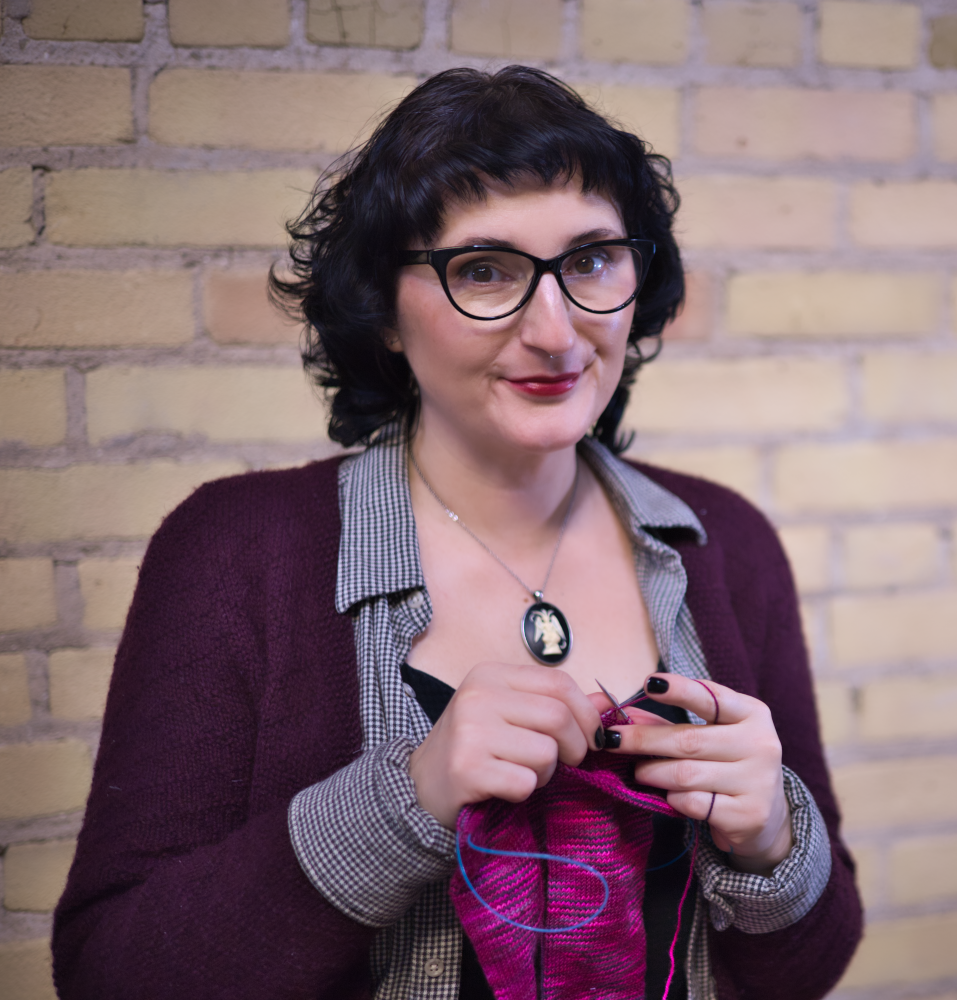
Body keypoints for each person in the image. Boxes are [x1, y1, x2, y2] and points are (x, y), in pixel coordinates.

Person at [52, 66, 862, 1000]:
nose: (556, 331)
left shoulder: (725, 544)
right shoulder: (235, 553)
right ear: (384, 313)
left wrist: (773, 845)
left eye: (592, 259)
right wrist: (407, 801)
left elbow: (813, 962)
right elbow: (110, 973)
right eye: (484, 270)